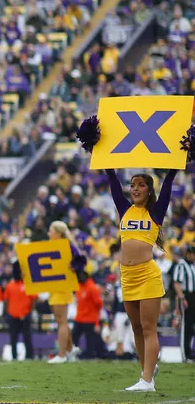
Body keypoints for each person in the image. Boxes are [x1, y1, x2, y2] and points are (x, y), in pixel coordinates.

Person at [104, 167, 179, 391]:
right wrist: (106, 162)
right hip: (126, 276)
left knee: (148, 328)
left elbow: (168, 184)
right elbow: (112, 180)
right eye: (133, 185)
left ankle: (147, 382)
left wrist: (174, 168)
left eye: (141, 185)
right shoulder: (124, 209)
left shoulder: (155, 212)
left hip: (147, 275)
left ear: (149, 191)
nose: (135, 188)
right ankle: (147, 369)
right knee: (135, 327)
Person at [46, 221, 80, 364]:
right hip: (54, 286)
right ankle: (71, 349)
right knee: (60, 321)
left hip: (63, 286)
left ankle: (61, 354)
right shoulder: (50, 246)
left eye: (51, 231)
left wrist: (73, 266)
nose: (49, 233)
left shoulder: (68, 246)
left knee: (62, 322)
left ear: (58, 233)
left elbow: (81, 260)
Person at [3, 261, 35, 361]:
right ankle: (14, 357)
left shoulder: (28, 285)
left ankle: (29, 357)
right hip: (13, 316)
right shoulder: (10, 286)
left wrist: (29, 312)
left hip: (25, 315)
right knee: (13, 338)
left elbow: (33, 299)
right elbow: (6, 300)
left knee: (27, 337)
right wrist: (8, 313)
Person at [72, 269, 103, 359]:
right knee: (74, 337)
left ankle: (89, 356)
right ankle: (73, 353)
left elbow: (99, 304)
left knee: (90, 339)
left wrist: (97, 322)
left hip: (90, 319)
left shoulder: (92, 288)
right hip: (79, 318)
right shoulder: (79, 286)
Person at [171, 245, 195, 363]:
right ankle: (185, 355)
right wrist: (182, 297)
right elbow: (176, 282)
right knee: (186, 325)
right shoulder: (182, 265)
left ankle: (190, 353)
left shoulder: (193, 265)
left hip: (193, 296)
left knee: (191, 327)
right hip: (187, 296)